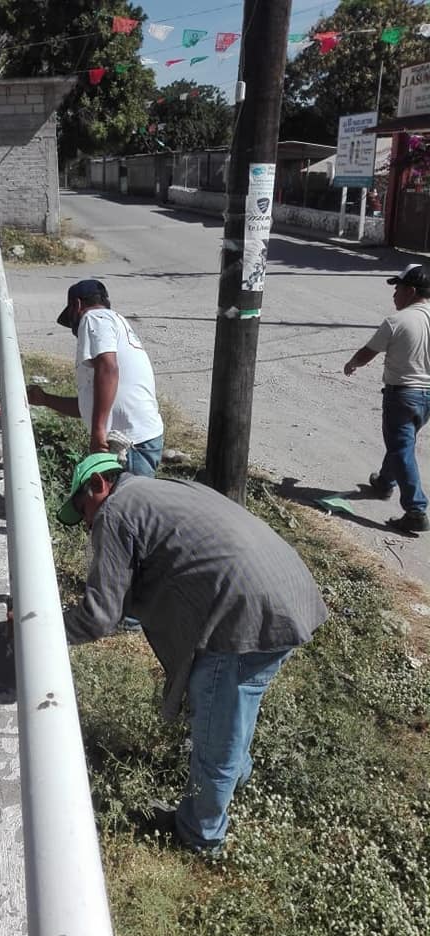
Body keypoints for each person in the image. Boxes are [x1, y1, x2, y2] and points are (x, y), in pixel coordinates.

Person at [58, 453, 328, 853]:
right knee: (238, 705)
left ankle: (201, 836)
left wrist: (43, 627)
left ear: (98, 485)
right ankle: (236, 777)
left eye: (83, 511)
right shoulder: (166, 488)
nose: (87, 524)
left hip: (243, 614)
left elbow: (100, 617)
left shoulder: (116, 510)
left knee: (216, 732)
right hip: (291, 591)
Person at [26, 279, 164, 477]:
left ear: (77, 305)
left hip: (130, 443)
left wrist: (98, 429)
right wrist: (46, 399)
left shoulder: (94, 318)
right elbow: (89, 407)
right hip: (138, 439)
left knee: (124, 506)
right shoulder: (113, 322)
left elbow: (108, 369)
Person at [344, 263, 430, 534]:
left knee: (401, 446)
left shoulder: (397, 321)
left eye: (398, 289)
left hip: (403, 395)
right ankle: (383, 482)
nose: (394, 296)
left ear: (412, 290)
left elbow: (368, 352)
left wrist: (352, 363)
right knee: (401, 442)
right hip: (427, 398)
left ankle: (416, 510)